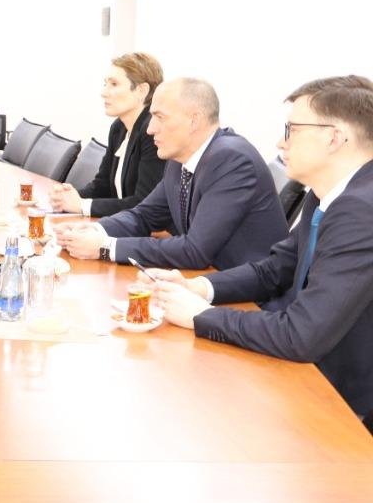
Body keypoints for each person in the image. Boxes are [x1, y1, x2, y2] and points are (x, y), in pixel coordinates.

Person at [148, 76, 373, 428]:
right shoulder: (326, 194)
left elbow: (301, 335)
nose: (281, 143)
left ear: (334, 138)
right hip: (305, 371)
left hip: (345, 402)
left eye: (292, 129)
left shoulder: (361, 210)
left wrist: (200, 316)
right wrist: (200, 288)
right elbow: (275, 268)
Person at [59, 78, 287, 269]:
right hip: (204, 281)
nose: (150, 129)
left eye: (160, 117)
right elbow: (143, 216)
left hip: (250, 297)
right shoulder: (179, 159)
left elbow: (195, 251)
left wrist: (105, 247)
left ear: (194, 120)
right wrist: (94, 230)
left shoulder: (231, 160)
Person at [49, 53, 165, 216]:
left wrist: (82, 205)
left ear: (141, 90)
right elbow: (102, 186)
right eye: (105, 84)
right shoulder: (119, 127)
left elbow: (143, 203)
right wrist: (69, 198)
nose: (104, 92)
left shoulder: (152, 132)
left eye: (114, 84)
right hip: (124, 223)